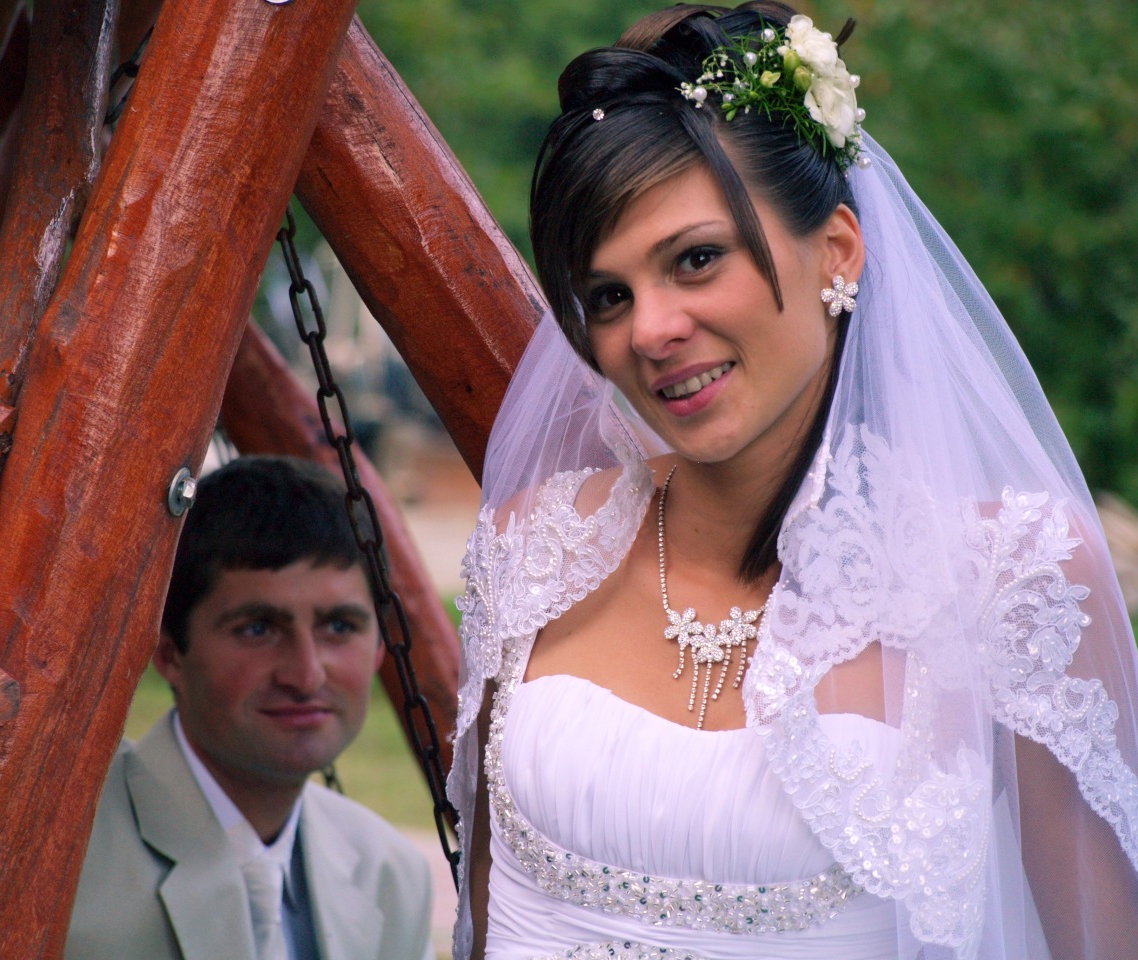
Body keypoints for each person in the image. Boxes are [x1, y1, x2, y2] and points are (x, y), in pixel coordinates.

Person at [447, 4, 1138, 959]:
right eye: (608, 296)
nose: (650, 331)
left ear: (838, 251)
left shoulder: (1011, 581)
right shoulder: (534, 551)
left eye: (696, 260)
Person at [63, 455, 434, 959]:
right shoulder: (66, 857)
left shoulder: (392, 877)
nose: (306, 675)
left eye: (339, 626)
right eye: (258, 629)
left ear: (378, 648)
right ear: (169, 653)